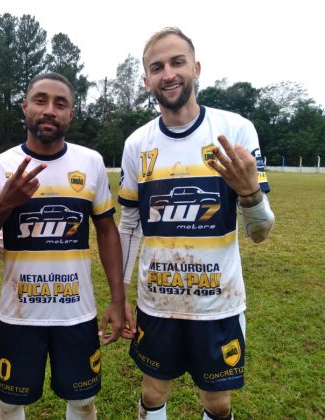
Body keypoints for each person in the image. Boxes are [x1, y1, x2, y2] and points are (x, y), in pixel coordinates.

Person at [117, 28, 275, 420]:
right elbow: (130, 224)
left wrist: (249, 193)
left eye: (177, 62)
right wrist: (120, 296)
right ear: (147, 80)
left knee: (217, 402)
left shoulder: (234, 131)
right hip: (157, 303)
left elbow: (260, 232)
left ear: (196, 68)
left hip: (218, 303)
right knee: (152, 392)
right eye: (157, 67)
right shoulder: (137, 144)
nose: (168, 74)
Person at [0, 72, 130, 420]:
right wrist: (5, 202)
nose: (50, 110)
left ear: (71, 114)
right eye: (40, 100)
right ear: (25, 107)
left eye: (60, 103)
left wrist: (118, 300)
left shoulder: (90, 162)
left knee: (83, 401)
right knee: (10, 402)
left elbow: (106, 231)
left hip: (76, 312)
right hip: (19, 314)